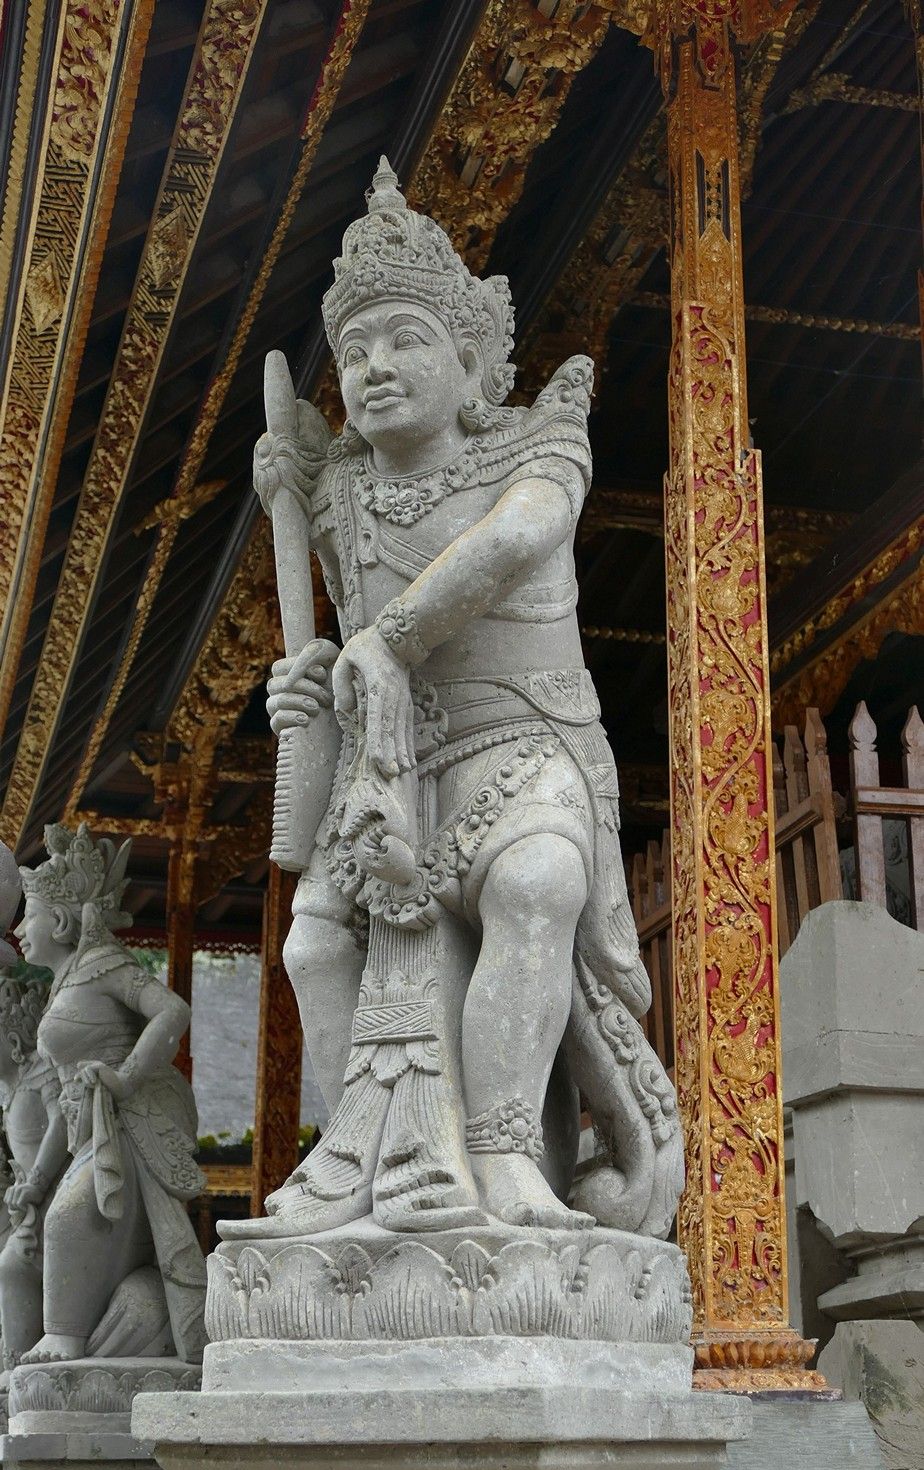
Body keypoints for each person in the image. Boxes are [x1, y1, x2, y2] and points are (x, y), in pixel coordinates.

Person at [250, 160, 681, 1239]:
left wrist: (385, 641)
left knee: (536, 884)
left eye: (405, 340)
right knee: (313, 946)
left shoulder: (538, 445)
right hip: (391, 762)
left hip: (523, 739)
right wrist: (309, 680)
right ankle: (361, 1169)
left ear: (472, 361)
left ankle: (504, 1153)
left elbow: (517, 540)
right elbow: (342, 646)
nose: (375, 368)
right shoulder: (339, 494)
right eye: (355, 350)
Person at [17, 824, 206, 1364]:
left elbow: (172, 1010)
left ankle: (66, 1337)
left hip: (128, 1121)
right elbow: (65, 1101)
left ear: (59, 921)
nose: (18, 931)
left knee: (67, 1217)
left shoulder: (105, 963)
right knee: (53, 1219)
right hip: (89, 1126)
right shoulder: (65, 983)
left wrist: (126, 1077)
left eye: (28, 916)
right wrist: (35, 1181)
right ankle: (74, 1335)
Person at [0, 973, 67, 1375]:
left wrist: (38, 1182)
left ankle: (16, 1368)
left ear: (12, 1040)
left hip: (53, 1193)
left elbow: (61, 1123)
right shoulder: (12, 1087)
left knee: (12, 1266)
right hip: (25, 1202)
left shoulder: (43, 1072)